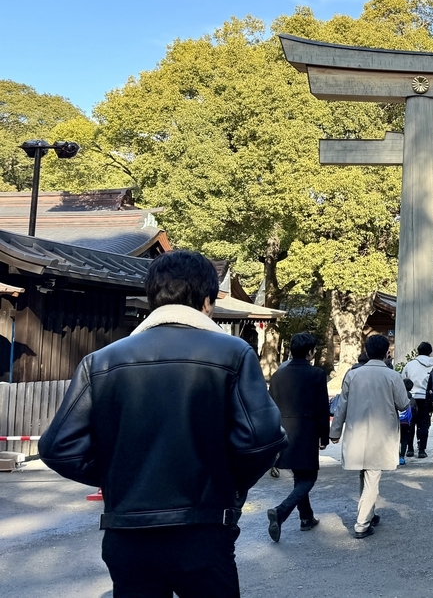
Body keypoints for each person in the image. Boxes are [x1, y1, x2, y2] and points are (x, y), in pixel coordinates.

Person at [40, 250, 286, 597]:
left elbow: (57, 447)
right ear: (207, 301)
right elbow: (262, 440)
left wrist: (117, 474)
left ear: (153, 298)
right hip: (201, 528)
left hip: (127, 532)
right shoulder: (233, 353)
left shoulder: (100, 361)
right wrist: (228, 484)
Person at [330, 334, 410, 539]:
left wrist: (335, 432)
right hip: (381, 434)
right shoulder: (392, 376)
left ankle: (369, 513)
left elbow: (341, 406)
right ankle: (362, 523)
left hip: (356, 432)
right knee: (372, 477)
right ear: (386, 353)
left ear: (366, 351)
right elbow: (403, 403)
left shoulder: (352, 375)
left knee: (364, 473)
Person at [267, 332, 331, 542]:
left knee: (299, 475)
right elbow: (322, 407)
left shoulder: (278, 375)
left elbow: (270, 404)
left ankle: (306, 517)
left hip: (284, 428)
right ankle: (281, 510)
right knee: (309, 477)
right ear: (310, 351)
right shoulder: (316, 374)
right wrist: (324, 435)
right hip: (307, 428)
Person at [400, 342, 433, 458]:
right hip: (426, 398)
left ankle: (410, 448)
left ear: (418, 351)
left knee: (409, 424)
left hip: (411, 398)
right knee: (424, 425)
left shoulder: (410, 365)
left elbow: (402, 380)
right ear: (430, 352)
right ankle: (422, 450)